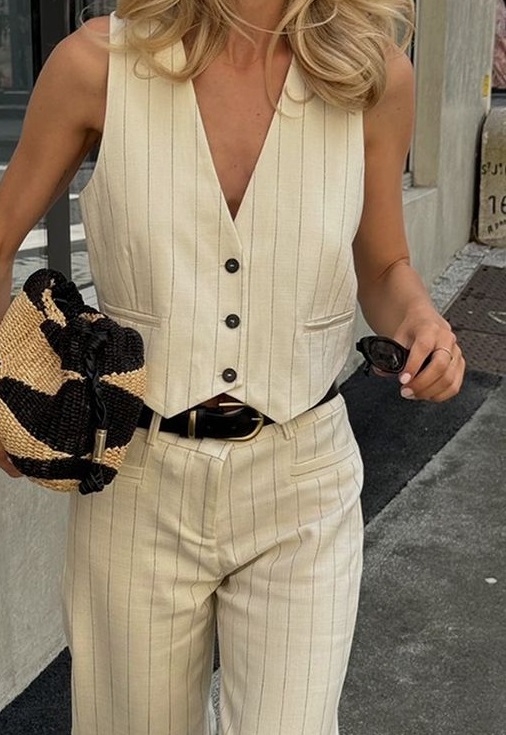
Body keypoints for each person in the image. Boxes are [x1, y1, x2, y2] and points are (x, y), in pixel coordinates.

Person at [0, 1, 465, 733]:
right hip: (136, 481)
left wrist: (421, 320)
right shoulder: (98, 65)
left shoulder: (371, 75)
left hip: (303, 484)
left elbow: (384, 266)